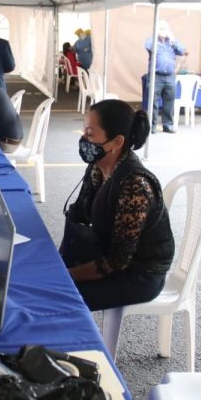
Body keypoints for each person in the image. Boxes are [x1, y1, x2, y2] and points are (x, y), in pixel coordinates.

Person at [59, 100, 174, 311]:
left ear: (116, 142)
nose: (83, 139)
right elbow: (81, 215)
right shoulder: (98, 168)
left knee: (58, 297)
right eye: (84, 132)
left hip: (139, 274)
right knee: (44, 281)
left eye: (90, 134)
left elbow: (118, 260)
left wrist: (68, 274)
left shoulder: (134, 186)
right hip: (105, 254)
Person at [144, 20, 187, 133]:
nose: (164, 31)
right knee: (153, 102)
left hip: (170, 76)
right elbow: (148, 46)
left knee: (169, 101)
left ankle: (168, 125)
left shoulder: (172, 42)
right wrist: (156, 35)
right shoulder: (152, 41)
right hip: (156, 76)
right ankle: (151, 126)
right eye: (161, 28)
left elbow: (182, 51)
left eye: (165, 29)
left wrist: (172, 39)